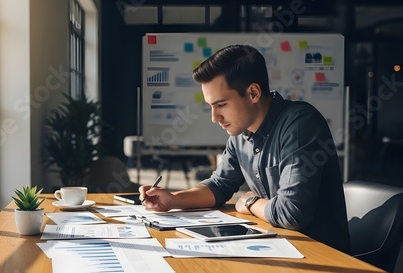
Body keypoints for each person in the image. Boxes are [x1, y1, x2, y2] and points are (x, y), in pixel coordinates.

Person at [139, 44, 351, 254]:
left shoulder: (300, 124)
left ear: (253, 93)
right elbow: (219, 185)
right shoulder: (240, 133)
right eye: (210, 106)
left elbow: (291, 213)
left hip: (321, 256)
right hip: (276, 247)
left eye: (221, 105)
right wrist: (174, 200)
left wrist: (250, 202)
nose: (214, 118)